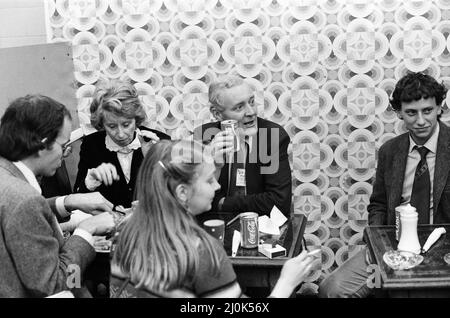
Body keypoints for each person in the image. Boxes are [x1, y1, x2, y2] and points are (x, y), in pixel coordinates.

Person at [110, 139, 316, 297]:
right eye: (209, 180)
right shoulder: (201, 253)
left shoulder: (124, 231)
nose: (217, 186)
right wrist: (286, 283)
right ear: (182, 192)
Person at [319, 72, 450, 298]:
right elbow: (378, 204)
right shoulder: (390, 151)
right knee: (332, 290)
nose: (420, 120)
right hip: (393, 248)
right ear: (399, 113)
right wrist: (378, 245)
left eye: (427, 110)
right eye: (411, 113)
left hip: (443, 250)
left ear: (439, 108)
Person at [0, 94, 116, 297]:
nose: (64, 155)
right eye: (63, 146)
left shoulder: (6, 174)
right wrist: (86, 231)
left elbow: (20, 215)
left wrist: (67, 201)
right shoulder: (24, 199)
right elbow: (54, 284)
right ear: (42, 144)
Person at [193, 75, 292, 217]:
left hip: (261, 227)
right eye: (239, 107)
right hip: (215, 226)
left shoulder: (273, 136)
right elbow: (194, 201)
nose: (251, 112)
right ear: (217, 114)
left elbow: (279, 203)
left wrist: (222, 203)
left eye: (252, 102)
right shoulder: (204, 136)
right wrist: (213, 165)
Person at [74, 79, 171, 209]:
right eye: (112, 126)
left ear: (136, 119)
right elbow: (77, 199)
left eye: (126, 124)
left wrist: (155, 161)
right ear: (102, 124)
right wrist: (89, 182)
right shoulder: (91, 145)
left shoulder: (160, 141)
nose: (120, 134)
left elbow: (177, 194)